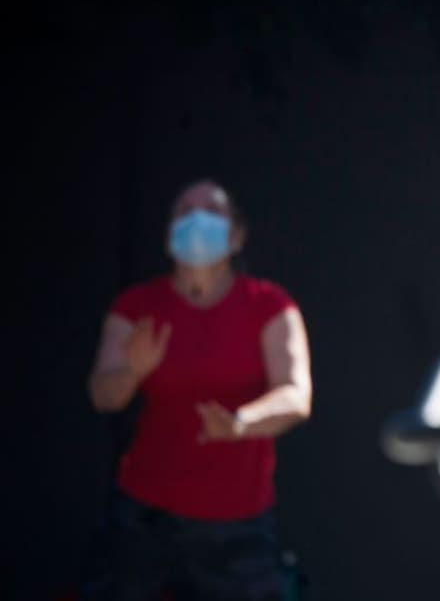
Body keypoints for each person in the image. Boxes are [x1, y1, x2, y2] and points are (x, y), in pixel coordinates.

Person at [82, 180, 312, 601]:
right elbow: (103, 395)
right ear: (169, 233)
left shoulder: (270, 305)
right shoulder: (136, 307)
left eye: (211, 209)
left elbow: (296, 395)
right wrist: (131, 371)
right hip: (143, 520)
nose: (196, 219)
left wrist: (241, 422)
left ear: (237, 235)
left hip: (238, 526)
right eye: (184, 210)